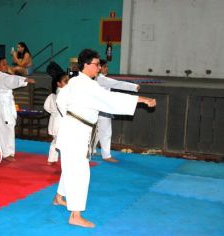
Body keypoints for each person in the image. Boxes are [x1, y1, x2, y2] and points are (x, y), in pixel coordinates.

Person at [53, 49, 156, 228]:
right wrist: (140, 99)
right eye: (96, 64)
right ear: (86, 65)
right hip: (77, 131)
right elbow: (111, 99)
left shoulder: (74, 81)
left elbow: (61, 101)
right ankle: (75, 215)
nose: (99, 68)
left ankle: (58, 197)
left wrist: (68, 118)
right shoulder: (88, 85)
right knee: (80, 171)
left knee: (71, 166)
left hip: (71, 128)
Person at [93, 59, 140, 162]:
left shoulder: (94, 79)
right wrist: (134, 87)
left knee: (95, 131)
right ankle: (106, 155)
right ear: (99, 68)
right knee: (105, 132)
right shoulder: (101, 79)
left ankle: (92, 149)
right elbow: (117, 84)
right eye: (104, 66)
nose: (106, 69)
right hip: (103, 109)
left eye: (107, 66)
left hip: (94, 108)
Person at [0, 57, 35, 162]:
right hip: (2, 105)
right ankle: (7, 153)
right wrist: (25, 80)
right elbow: (12, 80)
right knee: (6, 127)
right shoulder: (1, 77)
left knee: (4, 126)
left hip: (5, 104)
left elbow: (12, 78)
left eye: (6, 63)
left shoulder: (3, 76)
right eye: (3, 64)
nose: (6, 65)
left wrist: (23, 79)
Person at [44, 69, 69, 166]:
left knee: (56, 141)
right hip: (60, 122)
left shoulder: (53, 95)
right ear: (58, 84)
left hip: (54, 121)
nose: (68, 84)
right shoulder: (62, 94)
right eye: (66, 82)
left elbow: (46, 107)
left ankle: (51, 159)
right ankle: (63, 161)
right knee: (62, 142)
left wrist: (53, 113)